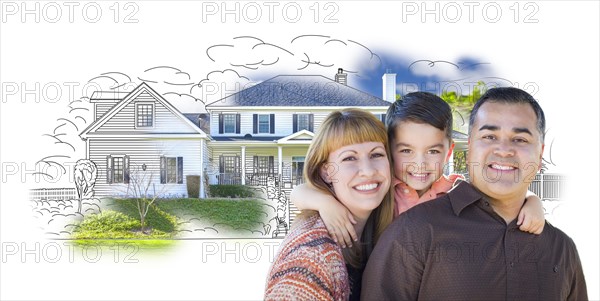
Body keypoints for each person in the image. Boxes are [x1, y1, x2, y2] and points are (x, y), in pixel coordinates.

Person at [361, 87, 587, 300]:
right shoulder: (411, 229)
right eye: (489, 136)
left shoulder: (562, 249)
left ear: (540, 155)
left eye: (520, 139)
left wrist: (534, 201)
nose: (504, 150)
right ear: (469, 149)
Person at [292, 92, 545, 248]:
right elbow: (300, 192)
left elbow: (501, 200)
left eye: (433, 151)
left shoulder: (457, 191)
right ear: (389, 150)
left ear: (448, 151)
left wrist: (533, 201)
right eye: (406, 151)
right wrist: (326, 204)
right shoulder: (379, 190)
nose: (419, 164)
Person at [264, 109, 394, 301]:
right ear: (326, 172)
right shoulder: (310, 257)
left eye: (376, 155)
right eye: (349, 158)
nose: (367, 170)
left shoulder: (385, 225)